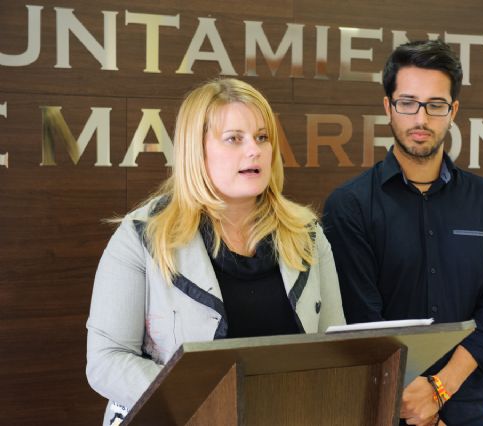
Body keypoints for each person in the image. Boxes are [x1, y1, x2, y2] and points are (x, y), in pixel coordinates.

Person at [86, 78, 346, 425]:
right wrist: (210, 403)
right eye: (234, 139)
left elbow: (336, 351)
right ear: (196, 151)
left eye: (262, 137)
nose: (254, 150)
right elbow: (107, 360)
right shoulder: (143, 235)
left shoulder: (307, 234)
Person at [323, 40, 483, 426]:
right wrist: (418, 410)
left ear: (452, 111)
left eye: (435, 105)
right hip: (385, 407)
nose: (421, 118)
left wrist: (441, 388)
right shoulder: (350, 205)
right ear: (388, 106)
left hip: (468, 406)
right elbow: (363, 323)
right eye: (408, 103)